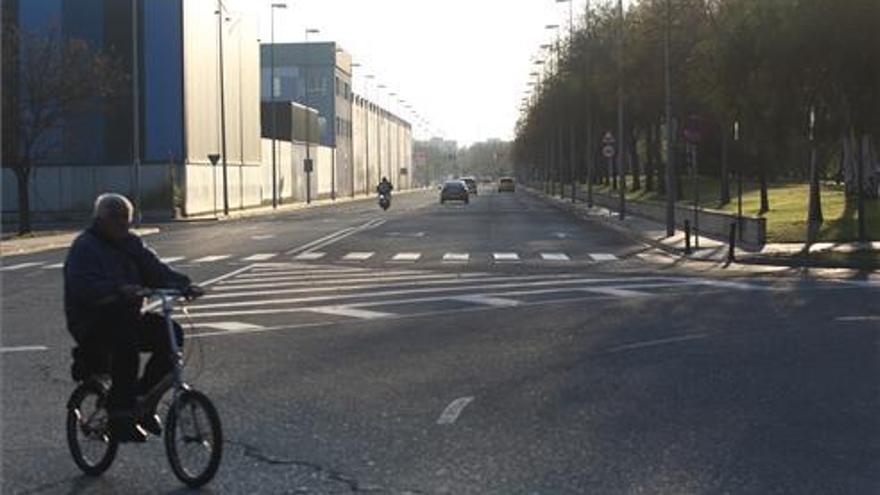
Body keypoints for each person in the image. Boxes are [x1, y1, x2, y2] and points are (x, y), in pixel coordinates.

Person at [64, 193, 202, 443]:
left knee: (171, 334)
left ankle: (142, 398)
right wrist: (117, 289)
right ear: (101, 219)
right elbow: (82, 285)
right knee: (125, 345)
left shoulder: (132, 244)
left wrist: (184, 285)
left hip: (126, 316)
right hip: (93, 320)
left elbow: (156, 270)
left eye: (125, 219)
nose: (121, 224)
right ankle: (120, 417)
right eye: (115, 219)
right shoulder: (85, 246)